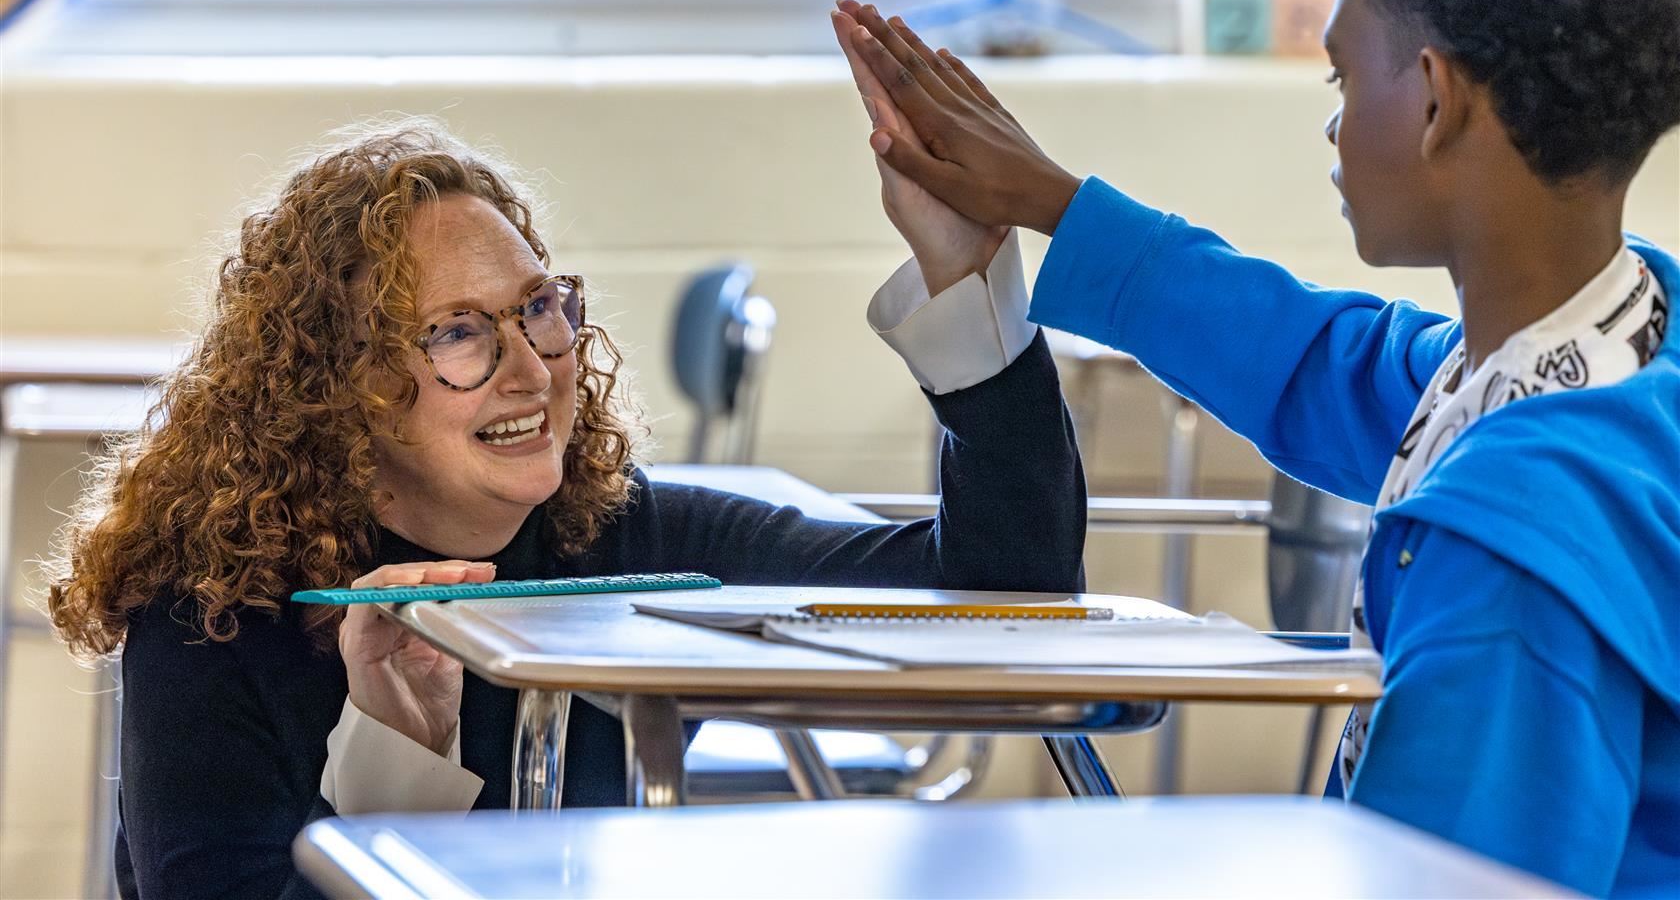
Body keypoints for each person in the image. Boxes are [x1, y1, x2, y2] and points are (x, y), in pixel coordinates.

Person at [834, 0, 1679, 898]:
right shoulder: (1612, 348)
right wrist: (1052, 200)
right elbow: (1318, 357)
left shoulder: (1519, 542)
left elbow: (1436, 878)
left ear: (1433, 100)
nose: (1331, 128)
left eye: (1341, 82)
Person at [46, 117, 1086, 899]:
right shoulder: (215, 607)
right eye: (458, 331)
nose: (533, 368)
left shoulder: (626, 538)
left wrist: (968, 279)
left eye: (539, 307)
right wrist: (394, 768)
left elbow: (1001, 588)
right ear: (341, 382)